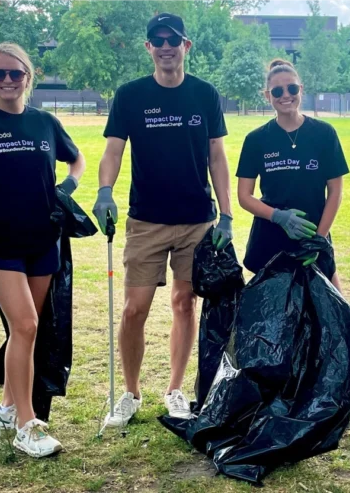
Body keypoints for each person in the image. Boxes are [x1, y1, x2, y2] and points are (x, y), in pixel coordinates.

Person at [92, 12, 233, 427]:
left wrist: (226, 214)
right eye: (158, 40)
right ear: (148, 47)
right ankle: (131, 392)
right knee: (135, 309)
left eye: (174, 40)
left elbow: (217, 156)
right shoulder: (131, 95)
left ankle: (175, 390)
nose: (167, 46)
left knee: (184, 303)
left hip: (195, 220)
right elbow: (113, 150)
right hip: (146, 220)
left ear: (186, 46)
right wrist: (104, 191)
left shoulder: (205, 94)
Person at [0, 43, 85, 458]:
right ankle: (27, 424)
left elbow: (76, 160)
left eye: (16, 74)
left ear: (29, 76)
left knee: (26, 327)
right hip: (0, 243)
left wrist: (69, 186)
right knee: (24, 326)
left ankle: (6, 407)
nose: (8, 81)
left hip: (44, 241)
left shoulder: (45, 122)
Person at [236, 59, 348, 287]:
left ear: (301, 90)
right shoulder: (256, 140)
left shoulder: (324, 134)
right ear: (267, 96)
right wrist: (278, 216)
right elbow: (244, 196)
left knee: (328, 316)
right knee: (270, 317)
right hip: (270, 241)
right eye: (277, 91)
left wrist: (318, 239)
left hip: (313, 236)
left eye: (292, 88)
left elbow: (335, 191)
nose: (285, 95)